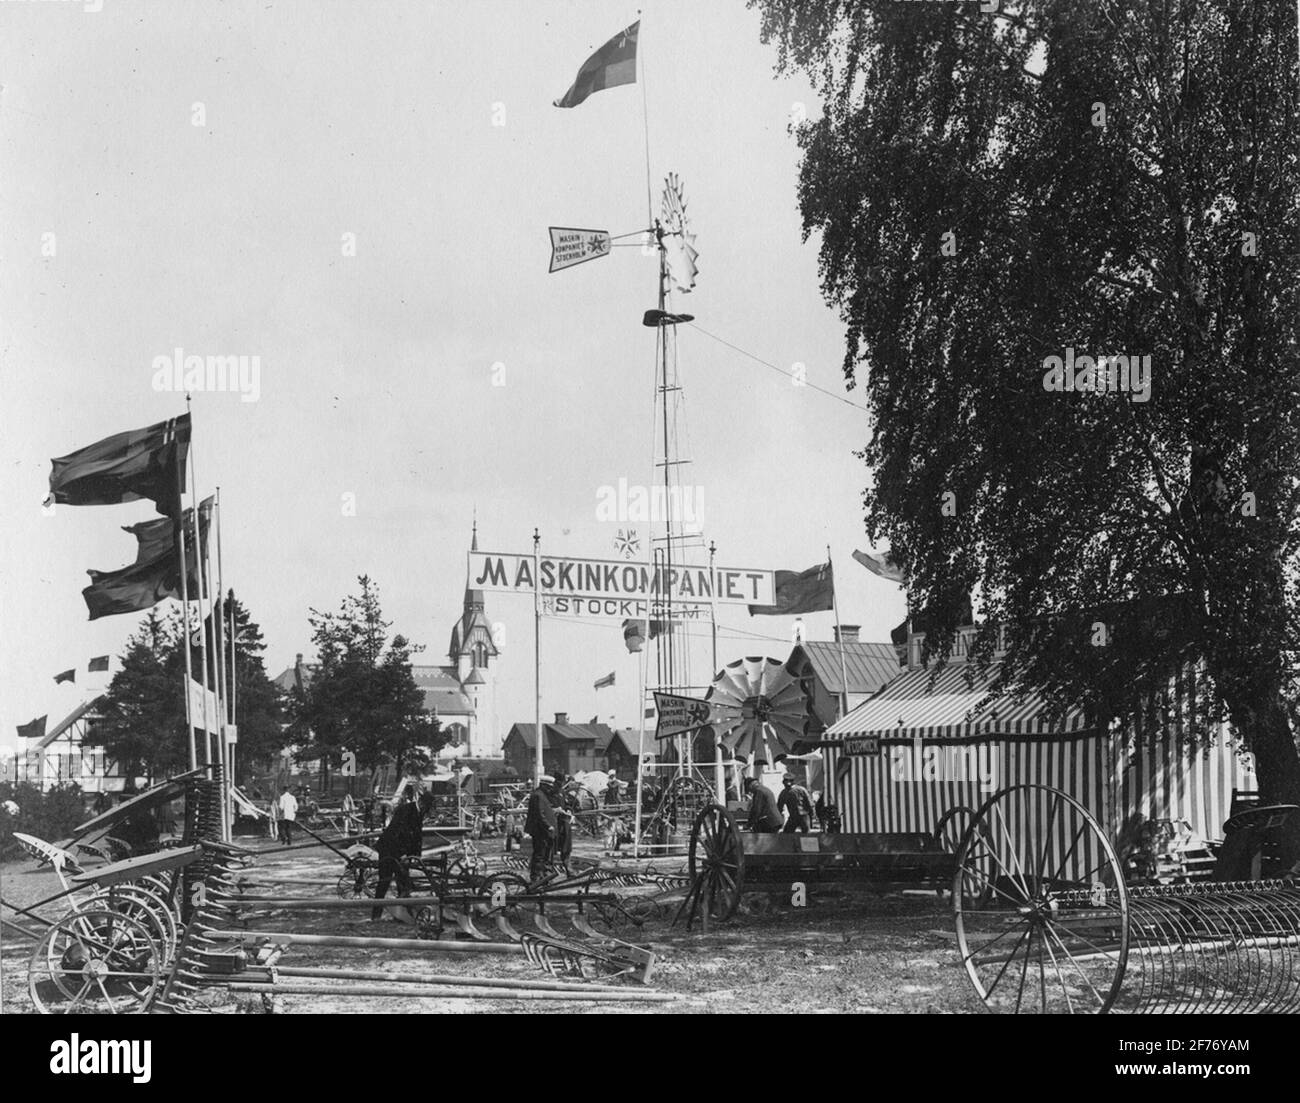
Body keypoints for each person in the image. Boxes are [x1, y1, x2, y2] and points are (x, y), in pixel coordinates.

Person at [371, 784, 425, 920]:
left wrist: (415, 856)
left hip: (398, 851)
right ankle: (376, 915)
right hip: (389, 850)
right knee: (384, 882)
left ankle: (402, 914)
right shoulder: (407, 810)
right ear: (422, 802)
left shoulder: (415, 811)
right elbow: (403, 833)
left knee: (403, 882)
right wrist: (408, 854)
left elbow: (416, 835)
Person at [524, 775, 558, 883]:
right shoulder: (538, 795)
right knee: (540, 854)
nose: (550, 789)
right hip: (540, 831)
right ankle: (536, 878)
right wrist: (548, 825)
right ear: (543, 785)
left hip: (543, 831)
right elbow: (539, 814)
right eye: (548, 787)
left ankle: (542, 876)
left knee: (543, 854)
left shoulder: (541, 794)